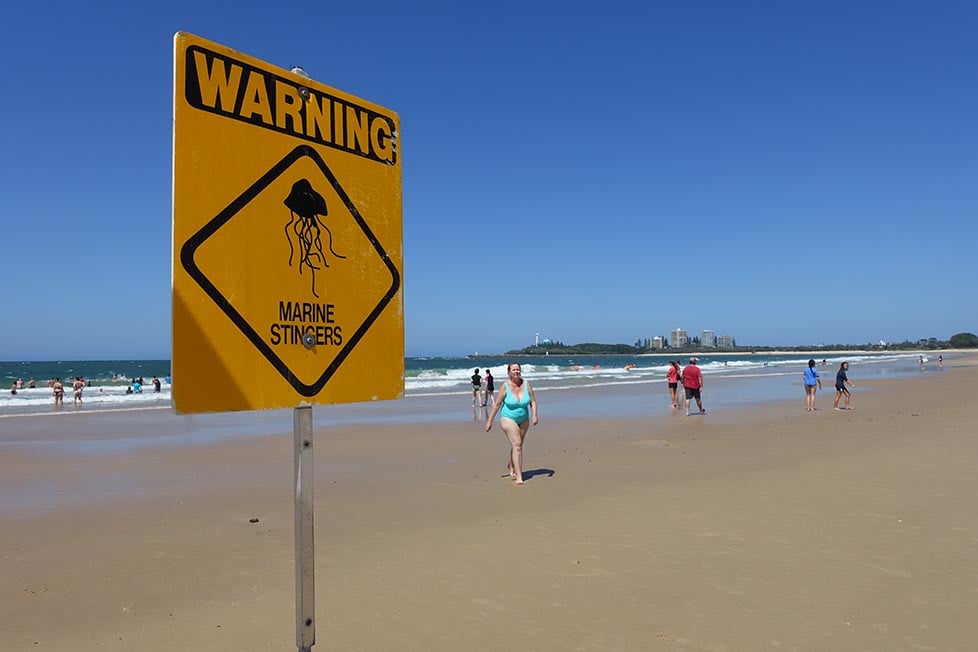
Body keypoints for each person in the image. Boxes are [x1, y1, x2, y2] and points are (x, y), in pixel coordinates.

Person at [485, 362, 538, 485]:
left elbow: (533, 402)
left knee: (517, 446)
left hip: (524, 419)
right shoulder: (505, 386)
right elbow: (497, 404)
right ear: (509, 372)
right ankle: (519, 476)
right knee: (517, 444)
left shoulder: (527, 385)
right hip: (508, 418)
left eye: (518, 370)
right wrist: (490, 420)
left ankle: (511, 465)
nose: (516, 372)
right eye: (513, 370)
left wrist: (534, 415)